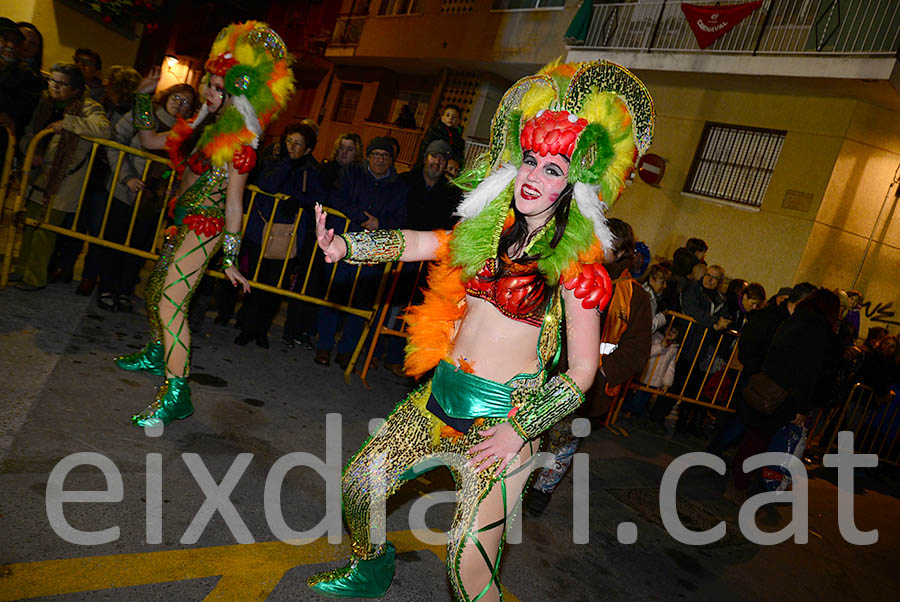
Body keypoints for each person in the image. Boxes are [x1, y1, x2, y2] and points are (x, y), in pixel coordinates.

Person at [305, 59, 654, 601]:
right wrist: (347, 247)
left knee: (467, 563)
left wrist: (521, 429)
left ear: (575, 186)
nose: (534, 177)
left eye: (553, 169)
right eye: (531, 161)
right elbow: (423, 243)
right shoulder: (486, 231)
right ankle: (372, 565)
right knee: (360, 485)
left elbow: (584, 369)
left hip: (504, 421)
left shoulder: (577, 267)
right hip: (440, 396)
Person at [114, 21, 294, 427]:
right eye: (209, 85)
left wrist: (230, 257)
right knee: (157, 288)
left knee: (170, 302)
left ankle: (178, 391)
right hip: (183, 222)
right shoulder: (201, 125)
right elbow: (148, 141)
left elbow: (235, 203)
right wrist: (144, 97)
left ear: (236, 94)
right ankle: (158, 352)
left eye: (217, 88)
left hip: (207, 228)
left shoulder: (241, 140)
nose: (209, 93)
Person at [526, 218, 652, 517]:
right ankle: (516, 478)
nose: (596, 246)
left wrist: (604, 370)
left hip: (587, 386)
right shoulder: (569, 272)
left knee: (564, 440)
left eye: (605, 243)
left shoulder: (635, 297)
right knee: (529, 428)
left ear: (622, 253)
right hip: (546, 370)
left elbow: (637, 348)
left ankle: (541, 489)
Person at [96, 82, 198, 312]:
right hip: (126, 191)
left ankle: (124, 290)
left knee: (140, 246)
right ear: (166, 97)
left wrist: (178, 187)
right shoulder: (144, 116)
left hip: (156, 199)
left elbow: (187, 164)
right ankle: (106, 287)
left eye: (187, 103)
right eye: (176, 99)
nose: (180, 106)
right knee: (114, 240)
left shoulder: (187, 131)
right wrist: (127, 177)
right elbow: (116, 143)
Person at [11, 62, 110, 291]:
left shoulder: (88, 107)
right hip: (39, 176)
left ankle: (34, 278)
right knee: (29, 226)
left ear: (75, 89)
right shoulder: (45, 104)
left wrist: (68, 123)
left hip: (64, 182)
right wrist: (31, 150)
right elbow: (29, 134)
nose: (54, 87)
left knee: (45, 231)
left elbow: (103, 129)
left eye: (61, 84)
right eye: (52, 81)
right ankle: (21, 269)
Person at [312, 135, 408, 368]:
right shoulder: (351, 174)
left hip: (374, 252)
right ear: (368, 156)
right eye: (375, 154)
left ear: (392, 160)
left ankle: (347, 351)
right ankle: (324, 346)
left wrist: (380, 223)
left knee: (362, 302)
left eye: (385, 156)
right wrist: (361, 217)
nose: (380, 160)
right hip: (346, 243)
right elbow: (336, 198)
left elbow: (402, 217)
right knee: (336, 294)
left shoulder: (399, 187)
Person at [238, 121, 325, 348]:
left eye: (298, 144)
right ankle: (247, 328)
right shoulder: (273, 162)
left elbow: (317, 197)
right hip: (261, 232)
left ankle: (262, 331)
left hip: (289, 237)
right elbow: (267, 185)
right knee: (254, 282)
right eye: (289, 141)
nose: (292, 147)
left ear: (307, 149)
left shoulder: (312, 171)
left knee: (275, 287)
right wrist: (286, 163)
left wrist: (298, 199)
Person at [0, 18, 45, 159]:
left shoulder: (28, 77)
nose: (11, 45)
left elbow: (16, 110)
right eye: (5, 39)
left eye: (16, 42)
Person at [642, 263, 671, 333]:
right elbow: (647, 327)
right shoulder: (647, 298)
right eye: (662, 282)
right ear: (651, 280)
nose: (665, 286)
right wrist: (662, 317)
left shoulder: (649, 295)